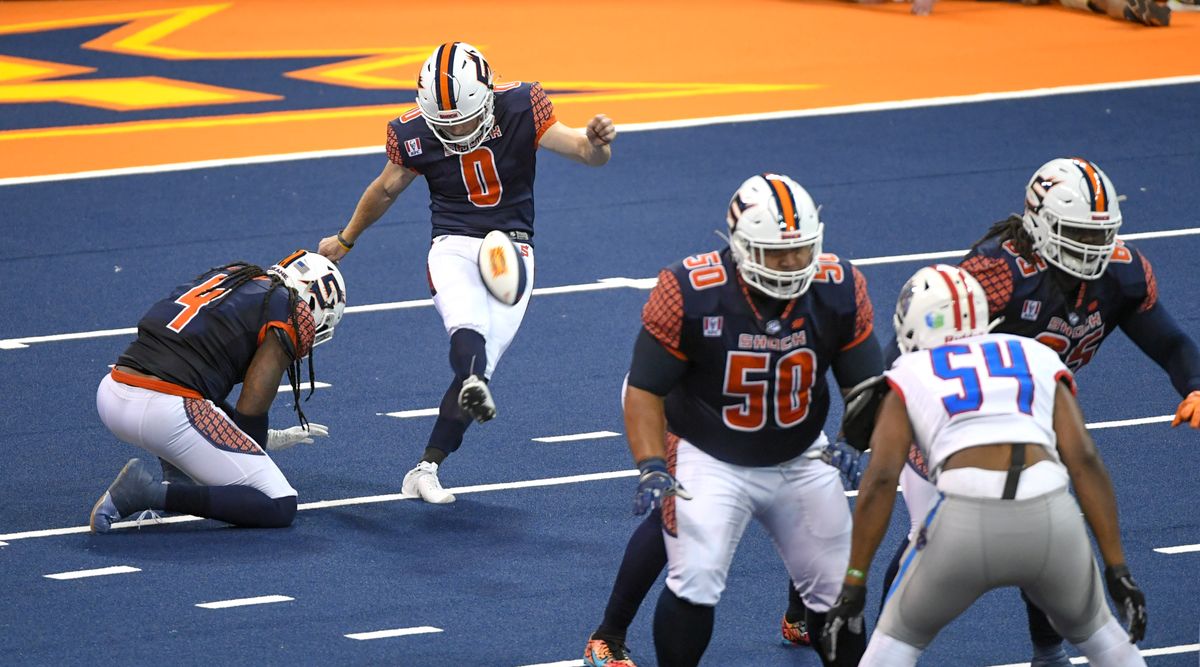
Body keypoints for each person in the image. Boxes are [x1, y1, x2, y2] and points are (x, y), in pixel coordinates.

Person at [844, 156, 1200, 667]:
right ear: (1041, 223)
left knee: (1037, 529)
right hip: (948, 425)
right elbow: (911, 344)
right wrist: (877, 419)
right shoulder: (997, 273)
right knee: (927, 538)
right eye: (1080, 233)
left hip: (1029, 417)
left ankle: (1045, 651)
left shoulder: (1119, 274)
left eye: (1103, 235)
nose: (1095, 248)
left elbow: (1170, 342)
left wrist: (1194, 384)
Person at [590, 173, 882, 667]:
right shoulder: (690, 289)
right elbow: (644, 390)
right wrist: (652, 464)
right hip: (709, 450)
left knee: (839, 592)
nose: (791, 263)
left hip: (799, 451)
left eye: (800, 250)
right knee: (696, 575)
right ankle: (610, 635)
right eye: (776, 253)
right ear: (740, 246)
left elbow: (867, 387)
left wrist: (855, 439)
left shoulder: (838, 285)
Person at [316, 41, 616, 504]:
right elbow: (386, 187)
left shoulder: (521, 105)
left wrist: (598, 147)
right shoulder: (413, 131)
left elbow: (582, 151)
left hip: (511, 250)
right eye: (446, 124)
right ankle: (470, 385)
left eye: (464, 120)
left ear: (488, 95)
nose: (455, 132)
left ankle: (425, 467)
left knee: (481, 365)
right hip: (453, 242)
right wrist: (346, 236)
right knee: (466, 324)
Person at [819, 264, 1148, 666]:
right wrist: (1118, 568)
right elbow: (1085, 460)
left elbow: (883, 478)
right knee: (1107, 639)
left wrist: (854, 583)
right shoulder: (1037, 353)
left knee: (892, 648)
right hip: (1050, 513)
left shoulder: (909, 370)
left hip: (964, 521)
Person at [90, 250, 347, 532]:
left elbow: (187, 360)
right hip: (164, 410)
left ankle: (177, 474)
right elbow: (252, 407)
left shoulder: (233, 275)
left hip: (114, 389)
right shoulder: (287, 311)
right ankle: (144, 493)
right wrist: (253, 455)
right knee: (279, 503)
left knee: (194, 386)